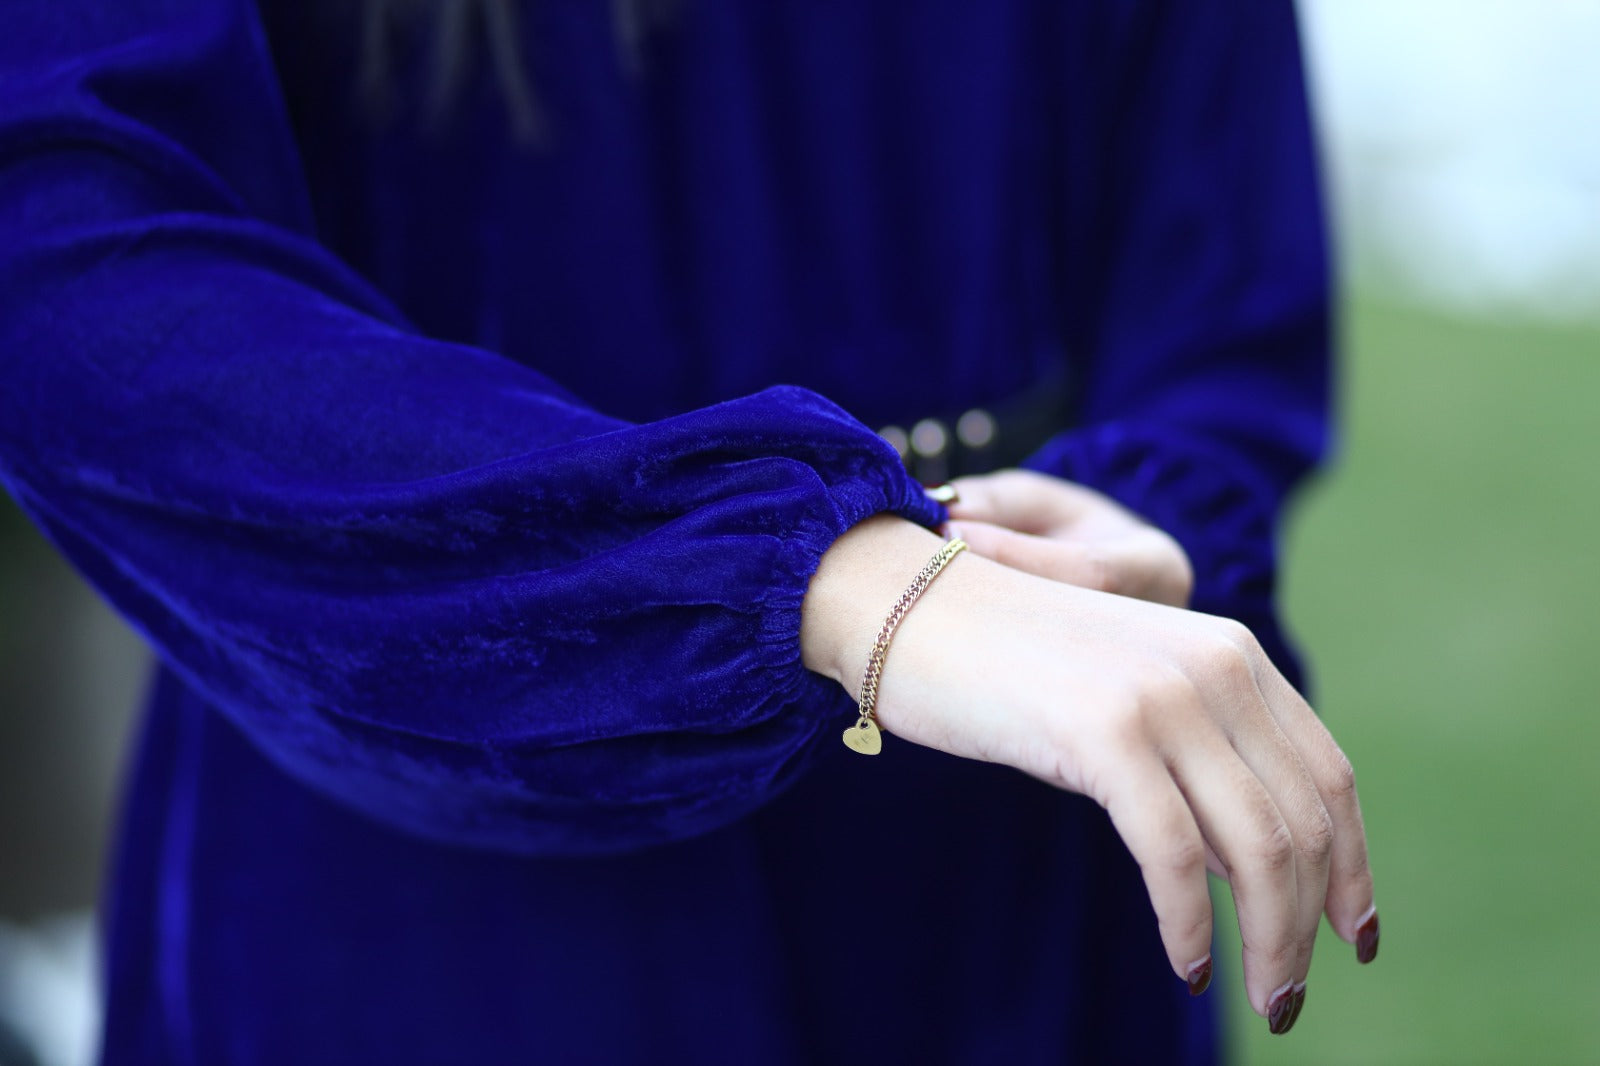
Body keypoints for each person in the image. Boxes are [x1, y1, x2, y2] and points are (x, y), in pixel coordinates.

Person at [0, 1, 1377, 1063]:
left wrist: (1145, 515)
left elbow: (1217, 266)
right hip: (446, 888)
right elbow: (73, 256)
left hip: (1025, 864)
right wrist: (808, 571)